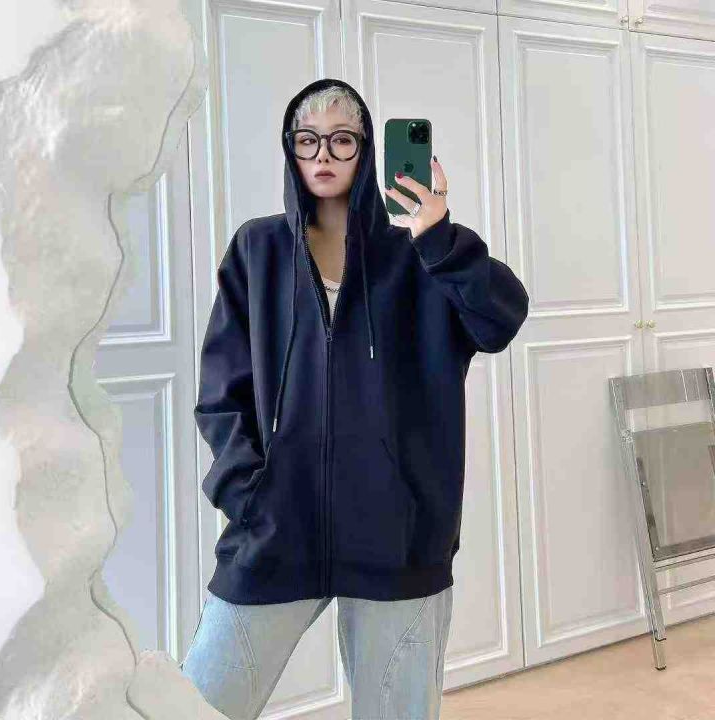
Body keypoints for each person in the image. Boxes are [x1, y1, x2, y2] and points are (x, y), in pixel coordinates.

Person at [180, 78, 529, 720]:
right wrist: (247, 492)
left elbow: (500, 320)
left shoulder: (420, 253)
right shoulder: (259, 249)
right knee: (197, 703)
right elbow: (221, 391)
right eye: (307, 139)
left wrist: (437, 238)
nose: (323, 154)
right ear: (290, 148)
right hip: (278, 525)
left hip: (399, 535)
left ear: (366, 151)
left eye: (342, 139)